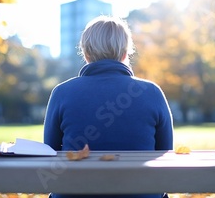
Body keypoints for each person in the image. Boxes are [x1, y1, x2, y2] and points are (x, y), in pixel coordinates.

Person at [43, 15, 174, 198]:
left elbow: (49, 153)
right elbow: (165, 154)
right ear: (125, 54)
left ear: (86, 54)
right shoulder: (152, 92)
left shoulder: (61, 93)